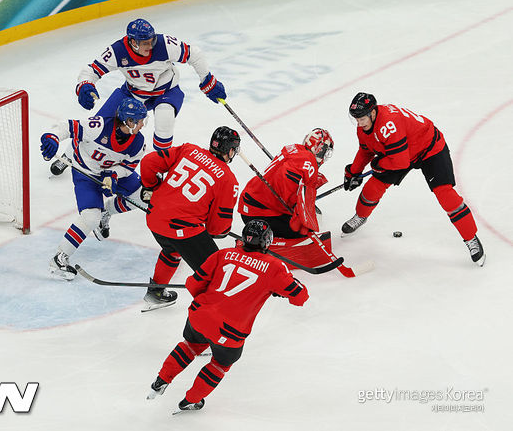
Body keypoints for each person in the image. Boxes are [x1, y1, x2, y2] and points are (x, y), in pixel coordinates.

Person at [146, 219, 309, 412]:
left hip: (200, 315)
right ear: (266, 241)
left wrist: (209, 306)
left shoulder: (223, 254)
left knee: (189, 346)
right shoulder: (275, 267)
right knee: (220, 364)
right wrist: (279, 289)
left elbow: (193, 284)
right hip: (230, 331)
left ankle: (160, 380)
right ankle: (191, 400)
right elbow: (300, 297)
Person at [343, 92, 485, 266]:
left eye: (362, 118)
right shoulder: (363, 126)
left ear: (372, 112)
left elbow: (400, 163)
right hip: (401, 152)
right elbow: (366, 150)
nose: (359, 123)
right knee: (373, 188)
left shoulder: (389, 124)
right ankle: (360, 216)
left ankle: (471, 238)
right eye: (356, 119)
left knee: (445, 194)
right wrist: (353, 172)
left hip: (429, 149)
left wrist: (378, 164)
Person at [74, 18, 225, 153]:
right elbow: (91, 70)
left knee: (165, 119)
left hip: (166, 91)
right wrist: (85, 85)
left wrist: (208, 80)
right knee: (98, 123)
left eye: (152, 41)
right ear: (133, 43)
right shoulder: (117, 51)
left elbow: (195, 54)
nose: (151, 46)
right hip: (134, 93)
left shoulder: (164, 44)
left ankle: (160, 163)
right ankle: (73, 154)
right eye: (145, 43)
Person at [40, 97, 148, 280]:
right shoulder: (98, 127)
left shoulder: (138, 142)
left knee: (145, 196)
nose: (142, 125)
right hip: (85, 173)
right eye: (139, 121)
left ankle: (107, 212)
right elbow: (67, 126)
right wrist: (52, 137)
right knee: (90, 217)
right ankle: (59, 259)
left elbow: (129, 166)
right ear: (128, 121)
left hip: (111, 172)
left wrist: (113, 175)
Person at [138, 126, 240, 311]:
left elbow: (148, 162)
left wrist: (151, 186)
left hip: (154, 217)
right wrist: (208, 224)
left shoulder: (188, 149)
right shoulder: (228, 179)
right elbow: (218, 228)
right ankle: (215, 312)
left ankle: (156, 292)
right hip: (182, 229)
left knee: (172, 249)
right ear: (231, 151)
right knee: (215, 271)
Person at [237, 128, 334, 268]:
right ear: (320, 149)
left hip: (248, 203)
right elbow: (289, 190)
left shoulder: (294, 148)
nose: (324, 156)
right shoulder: (309, 162)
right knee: (299, 232)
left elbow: (284, 178)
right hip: (257, 213)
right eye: (325, 151)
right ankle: (254, 244)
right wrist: (303, 223)